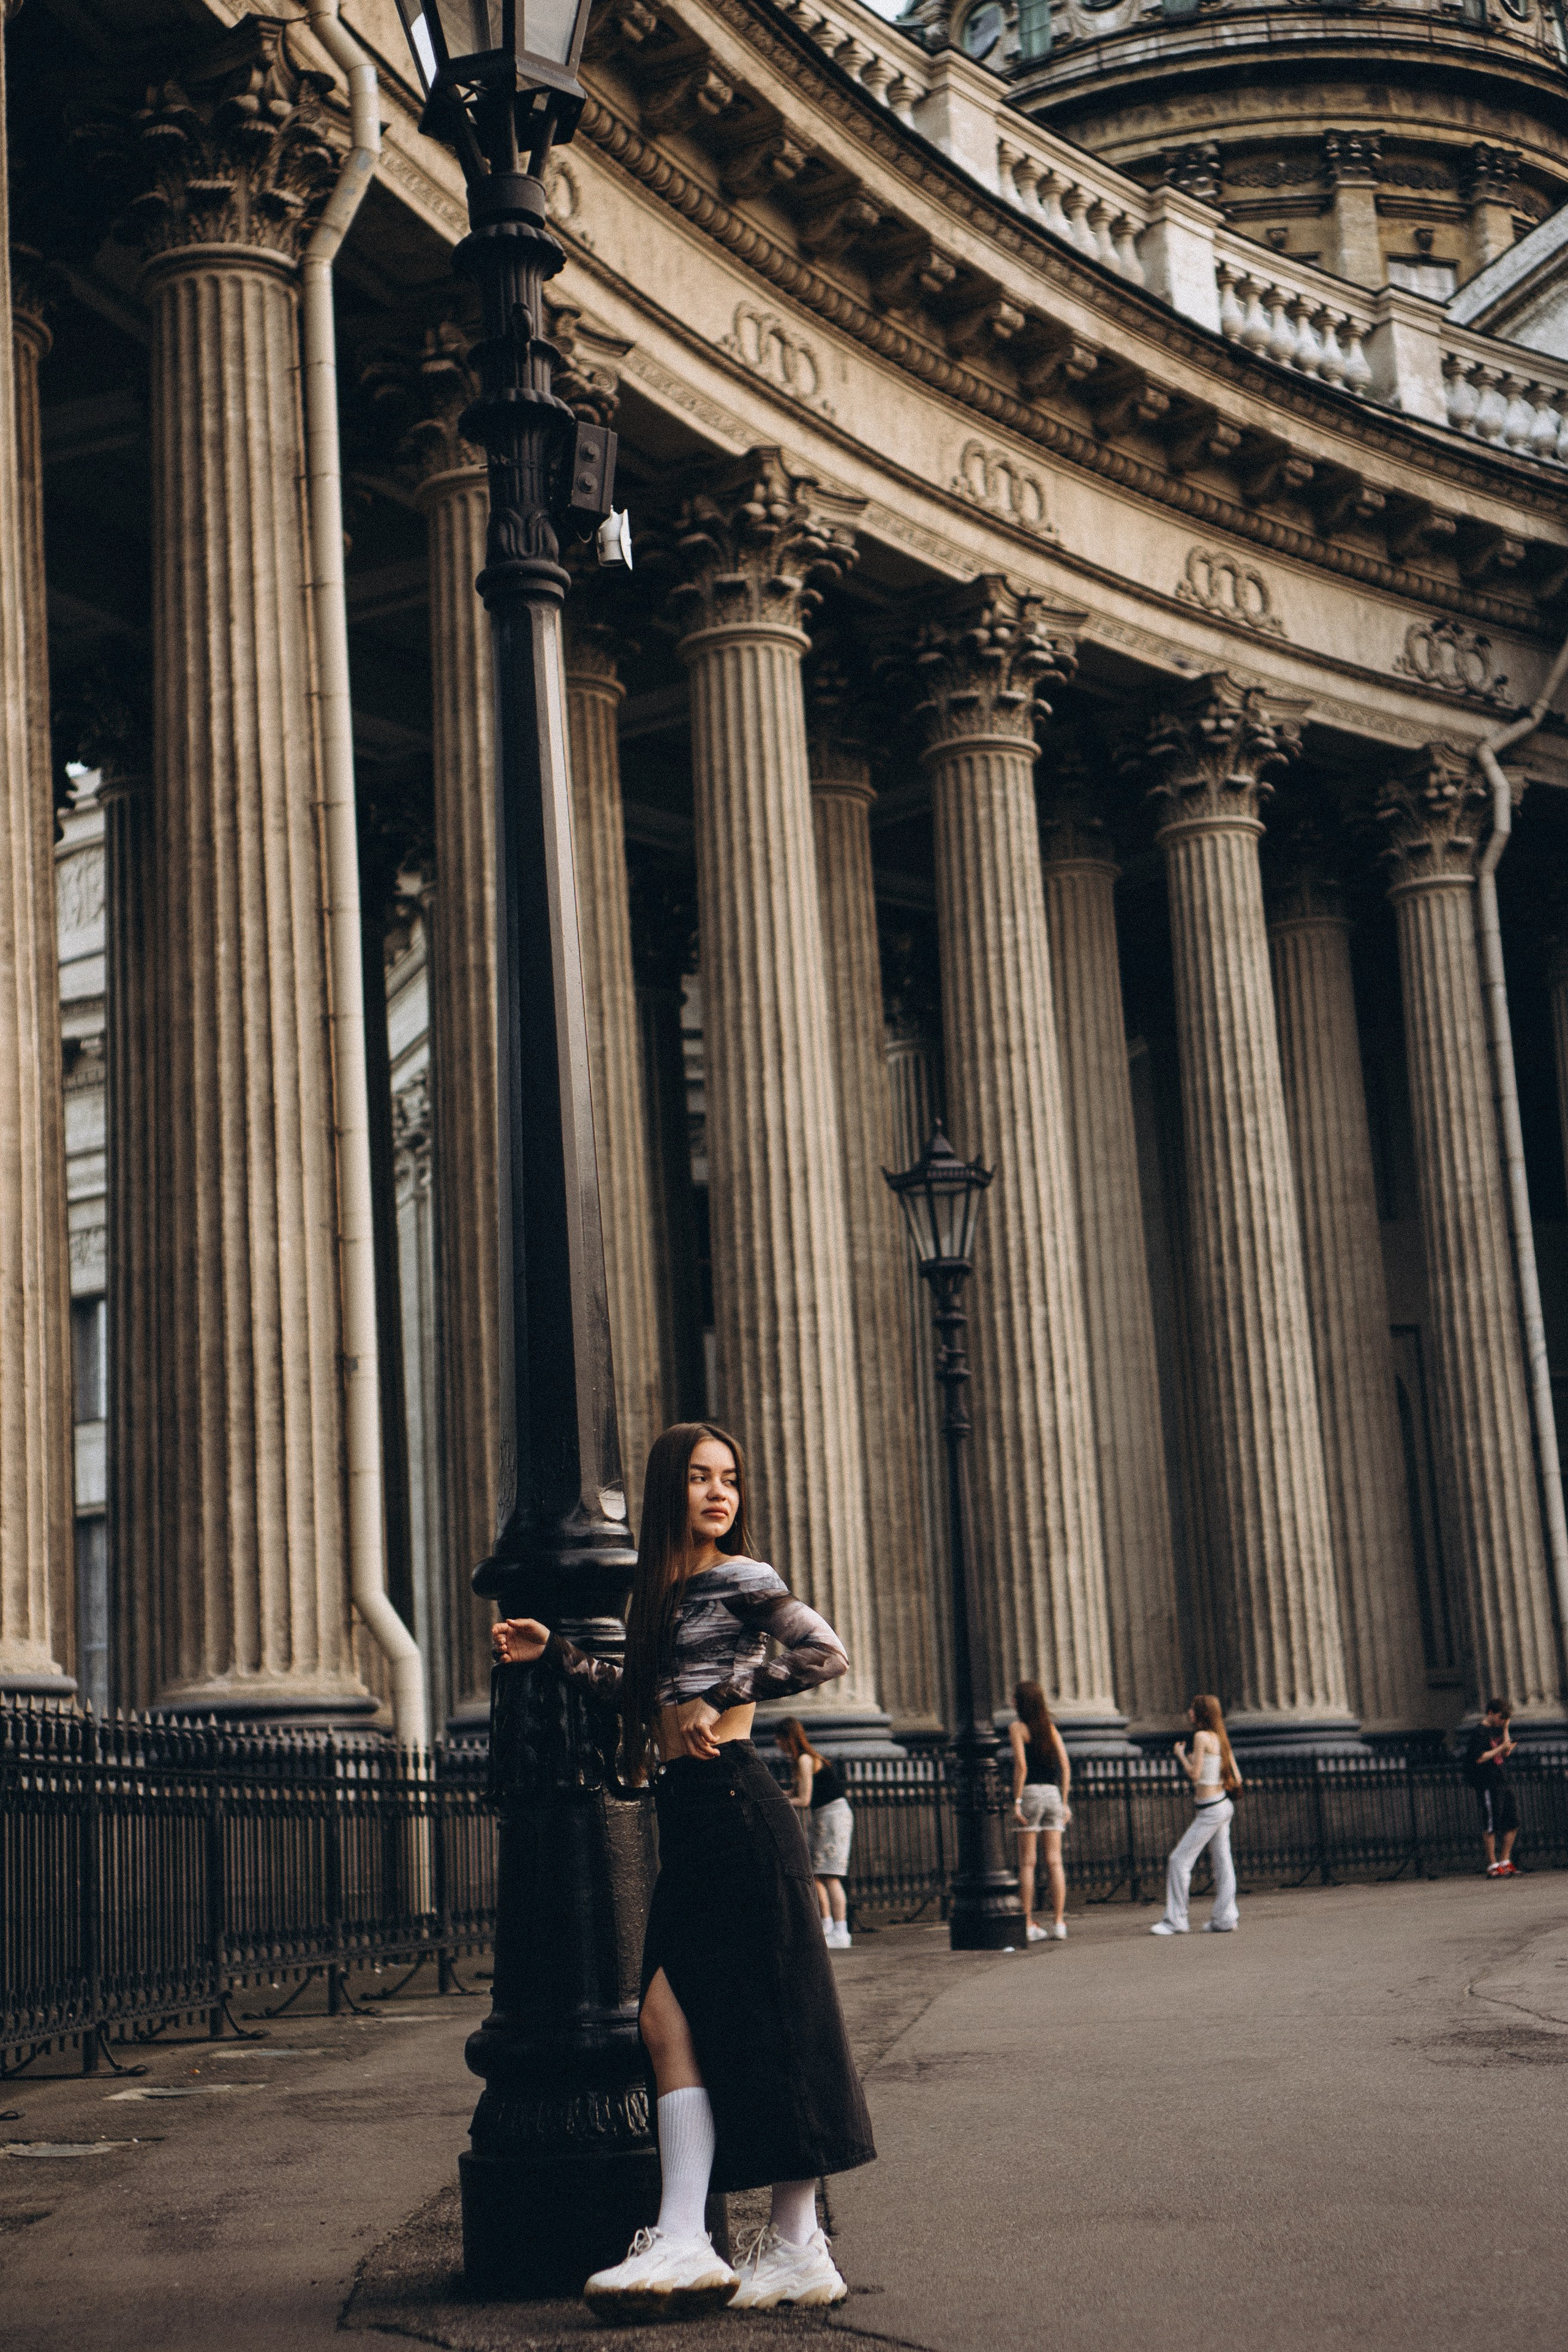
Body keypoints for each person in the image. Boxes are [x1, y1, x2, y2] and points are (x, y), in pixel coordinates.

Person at [490, 1422, 874, 2320]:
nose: (719, 1493)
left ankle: (790, 2243)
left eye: (730, 1479)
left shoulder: (743, 1578)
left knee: (767, 2020)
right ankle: (693, 2239)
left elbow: (826, 1654)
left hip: (738, 1806)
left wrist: (733, 1692)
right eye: (701, 1478)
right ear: (672, 1490)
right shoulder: (659, 1596)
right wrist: (556, 1653)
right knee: (667, 2019)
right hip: (693, 1816)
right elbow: (641, 1700)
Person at [1151, 1694, 1243, 1936]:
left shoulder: (1201, 1737)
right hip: (1222, 1805)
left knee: (1178, 1861)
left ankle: (1176, 1920)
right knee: (1223, 1863)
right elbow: (1235, 1777)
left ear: (1201, 1713)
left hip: (1211, 1810)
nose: (1189, 1711)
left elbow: (1194, 1775)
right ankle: (1225, 1919)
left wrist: (1181, 1755)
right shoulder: (1220, 1737)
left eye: (1193, 1708)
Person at [777, 1718, 855, 1947]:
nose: (776, 1743)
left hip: (832, 1816)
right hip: (826, 1816)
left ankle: (839, 1930)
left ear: (787, 1738)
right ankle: (830, 1927)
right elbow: (794, 1792)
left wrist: (783, 1803)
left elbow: (804, 1799)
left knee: (828, 1875)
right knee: (819, 1874)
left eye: (779, 1738)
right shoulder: (806, 1759)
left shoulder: (804, 1759)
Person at [1009, 1681, 1071, 1943]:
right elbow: (1066, 1767)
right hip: (1054, 1795)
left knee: (1028, 1863)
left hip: (1032, 1794)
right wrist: (1065, 1802)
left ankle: (1026, 1922)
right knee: (1055, 1861)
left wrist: (1017, 1800)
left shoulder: (1017, 1728)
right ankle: (1058, 1923)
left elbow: (1021, 1766)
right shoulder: (1050, 1728)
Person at [1466, 1697, 1520, 1877]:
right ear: (1490, 1713)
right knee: (1491, 1824)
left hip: (1502, 1779)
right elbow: (1479, 1757)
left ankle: (1505, 1860)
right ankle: (1492, 1863)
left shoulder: (1498, 1729)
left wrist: (1506, 1729)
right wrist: (1500, 1748)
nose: (1502, 1721)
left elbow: (1507, 1751)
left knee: (1513, 1820)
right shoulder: (1479, 1733)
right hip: (1488, 1782)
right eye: (1500, 1717)